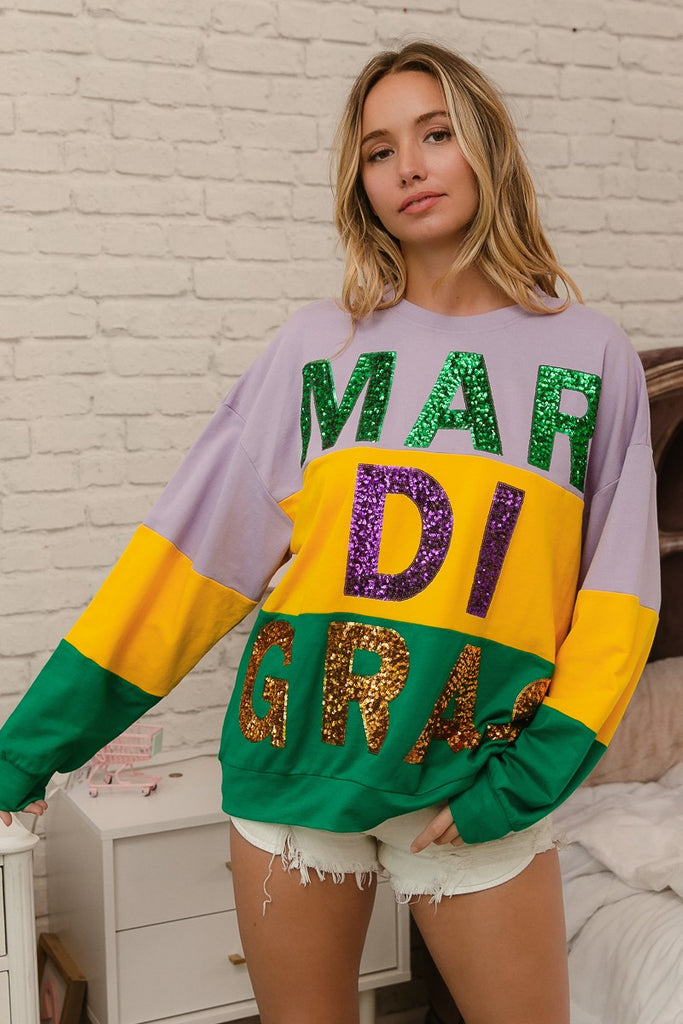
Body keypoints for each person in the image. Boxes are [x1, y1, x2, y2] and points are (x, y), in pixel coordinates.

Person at [0, 41, 659, 1024]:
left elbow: (618, 599)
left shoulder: (587, 355)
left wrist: (521, 783)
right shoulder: (316, 348)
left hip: (472, 774)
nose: (407, 167)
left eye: (435, 134)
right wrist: (25, 750)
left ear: (487, 147)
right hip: (293, 767)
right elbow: (184, 569)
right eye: (378, 150)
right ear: (360, 182)